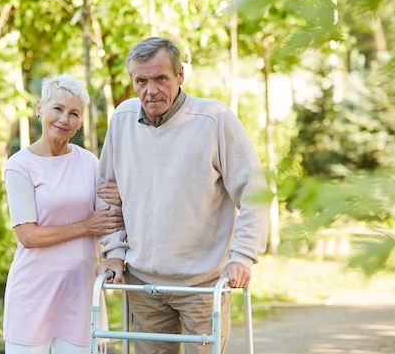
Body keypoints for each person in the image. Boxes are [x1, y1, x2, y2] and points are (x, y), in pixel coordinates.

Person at [95, 37, 270, 354]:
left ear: (179, 75)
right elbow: (107, 192)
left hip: (202, 284)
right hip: (142, 283)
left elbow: (254, 193)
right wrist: (114, 251)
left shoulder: (214, 119)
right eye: (141, 81)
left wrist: (243, 256)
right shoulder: (122, 119)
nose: (151, 90)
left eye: (160, 78)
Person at [3, 73, 123, 354]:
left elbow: (107, 220)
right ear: (39, 108)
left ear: (80, 121)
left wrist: (115, 256)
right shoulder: (20, 166)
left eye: (74, 113)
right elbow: (28, 236)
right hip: (32, 293)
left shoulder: (90, 162)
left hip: (80, 292)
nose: (64, 119)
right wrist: (85, 226)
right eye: (57, 109)